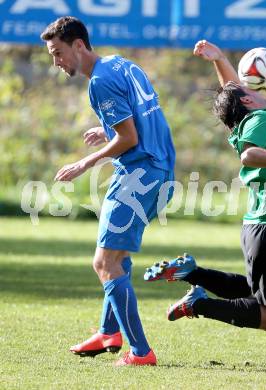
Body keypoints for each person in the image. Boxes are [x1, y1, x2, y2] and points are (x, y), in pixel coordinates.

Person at [144, 40, 266, 335]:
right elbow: (249, 155)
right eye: (245, 91)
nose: (243, 88)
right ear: (248, 102)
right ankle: (198, 304)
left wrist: (219, 59)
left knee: (258, 293)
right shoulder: (259, 119)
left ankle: (192, 273)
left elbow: (232, 92)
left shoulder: (247, 118)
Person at [40, 16, 175, 366]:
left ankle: (141, 352)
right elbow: (140, 116)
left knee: (104, 261)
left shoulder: (98, 82)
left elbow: (128, 137)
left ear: (79, 45)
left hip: (138, 173)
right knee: (119, 257)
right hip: (159, 167)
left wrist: (84, 163)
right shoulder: (119, 64)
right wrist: (106, 130)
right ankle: (108, 332)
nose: (56, 62)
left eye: (57, 53)